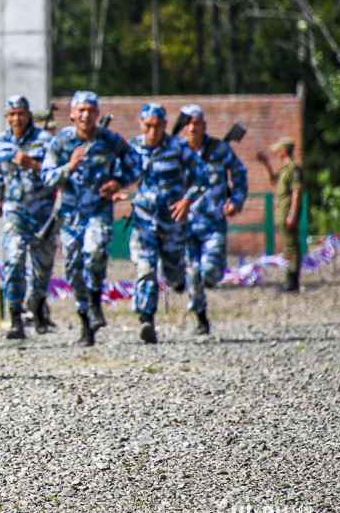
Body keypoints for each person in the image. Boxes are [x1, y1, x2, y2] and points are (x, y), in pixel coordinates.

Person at [41, 91, 136, 346]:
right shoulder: (61, 142)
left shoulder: (111, 140)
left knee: (94, 252)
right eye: (80, 110)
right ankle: (86, 318)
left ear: (97, 114)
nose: (85, 115)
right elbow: (46, 177)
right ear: (72, 114)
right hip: (70, 218)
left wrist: (118, 182)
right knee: (73, 268)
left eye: (90, 110)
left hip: (98, 212)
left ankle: (94, 302)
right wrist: (69, 167)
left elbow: (136, 166)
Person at [120, 104, 206, 342]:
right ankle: (146, 318)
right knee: (145, 268)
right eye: (148, 126)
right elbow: (119, 175)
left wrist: (188, 199)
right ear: (141, 124)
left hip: (172, 224)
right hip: (143, 220)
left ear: (165, 126)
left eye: (157, 126)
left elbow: (203, 176)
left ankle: (178, 283)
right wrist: (116, 189)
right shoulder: (133, 148)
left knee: (173, 274)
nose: (152, 131)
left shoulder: (179, 148)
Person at [0, 95, 56, 338]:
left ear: (28, 115)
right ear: (7, 117)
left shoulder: (45, 140)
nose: (16, 118)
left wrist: (32, 164)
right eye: (12, 114)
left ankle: (37, 304)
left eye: (21, 113)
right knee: (14, 260)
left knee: (42, 267)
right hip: (15, 211)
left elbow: (54, 173)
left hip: (43, 213)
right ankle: (15, 316)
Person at [181, 104, 248, 308]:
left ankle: (210, 278)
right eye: (188, 124)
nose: (192, 128)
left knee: (210, 272)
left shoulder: (220, 150)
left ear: (204, 125)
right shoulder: (175, 152)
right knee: (190, 271)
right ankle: (199, 312)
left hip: (213, 224)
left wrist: (235, 201)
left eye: (196, 123)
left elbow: (240, 176)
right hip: (184, 224)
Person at [257, 138, 303, 292]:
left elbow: (297, 192)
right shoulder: (285, 169)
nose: (276, 153)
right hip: (282, 212)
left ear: (284, 151)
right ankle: (290, 278)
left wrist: (293, 214)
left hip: (287, 212)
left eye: (278, 150)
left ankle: (292, 281)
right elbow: (272, 181)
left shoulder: (293, 169)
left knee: (291, 245)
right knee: (288, 245)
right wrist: (266, 164)